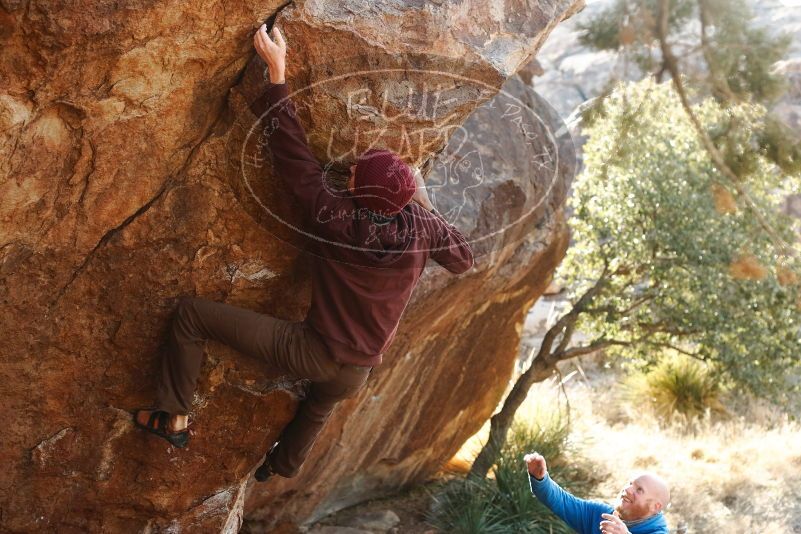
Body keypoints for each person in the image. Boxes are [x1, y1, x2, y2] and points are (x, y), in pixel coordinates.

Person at [132, 23, 474, 482]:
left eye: (356, 171)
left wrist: (278, 74)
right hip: (358, 371)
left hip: (313, 351)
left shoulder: (334, 216)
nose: (351, 170)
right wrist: (425, 202)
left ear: (354, 188)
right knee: (317, 407)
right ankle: (283, 465)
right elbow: (464, 260)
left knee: (191, 316)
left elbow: (292, 154)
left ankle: (173, 418)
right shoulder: (421, 228)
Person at [524, 452, 670, 534]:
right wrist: (541, 479)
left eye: (639, 490)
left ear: (655, 507)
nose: (628, 489)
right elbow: (563, 502)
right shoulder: (600, 515)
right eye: (630, 484)